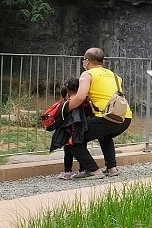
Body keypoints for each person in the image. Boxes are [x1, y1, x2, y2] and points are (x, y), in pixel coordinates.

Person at [65, 47, 133, 178]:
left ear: (87, 61)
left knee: (70, 138)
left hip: (106, 117)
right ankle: (112, 168)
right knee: (105, 136)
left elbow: (79, 97)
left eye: (84, 61)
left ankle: (93, 170)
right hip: (124, 118)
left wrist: (64, 109)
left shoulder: (88, 74)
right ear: (102, 61)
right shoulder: (115, 75)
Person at [52, 78, 85, 180]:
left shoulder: (68, 103)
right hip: (81, 131)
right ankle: (83, 170)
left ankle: (67, 172)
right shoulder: (84, 100)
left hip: (69, 131)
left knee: (68, 152)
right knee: (82, 151)